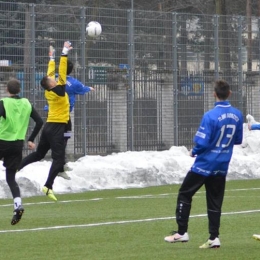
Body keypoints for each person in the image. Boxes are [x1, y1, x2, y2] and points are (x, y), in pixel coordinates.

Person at [164, 80, 243, 248]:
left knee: (185, 193)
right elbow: (237, 140)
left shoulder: (210, 115)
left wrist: (194, 151)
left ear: (214, 94)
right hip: (222, 165)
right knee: (215, 201)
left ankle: (181, 233)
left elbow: (203, 142)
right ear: (229, 93)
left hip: (204, 164)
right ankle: (214, 237)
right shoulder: (237, 115)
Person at [18, 41, 72, 201]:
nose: (55, 79)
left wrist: (51, 58)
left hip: (49, 127)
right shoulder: (59, 91)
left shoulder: (49, 90)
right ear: (52, 84)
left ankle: (17, 167)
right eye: (53, 80)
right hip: (56, 128)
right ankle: (48, 186)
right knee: (58, 158)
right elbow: (62, 74)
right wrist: (64, 53)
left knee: (39, 154)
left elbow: (50, 75)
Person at [0, 79, 43, 225]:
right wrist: (30, 139)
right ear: (19, 90)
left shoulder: (4, 102)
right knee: (11, 178)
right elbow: (39, 121)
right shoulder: (26, 103)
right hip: (17, 144)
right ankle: (18, 205)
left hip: (2, 141)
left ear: (7, 90)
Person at [44, 59, 94, 180]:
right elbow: (83, 89)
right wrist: (90, 88)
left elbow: (49, 74)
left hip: (52, 115)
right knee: (63, 139)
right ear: (71, 70)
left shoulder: (53, 81)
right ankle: (60, 165)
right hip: (63, 118)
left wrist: (51, 59)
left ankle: (61, 163)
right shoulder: (73, 83)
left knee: (61, 139)